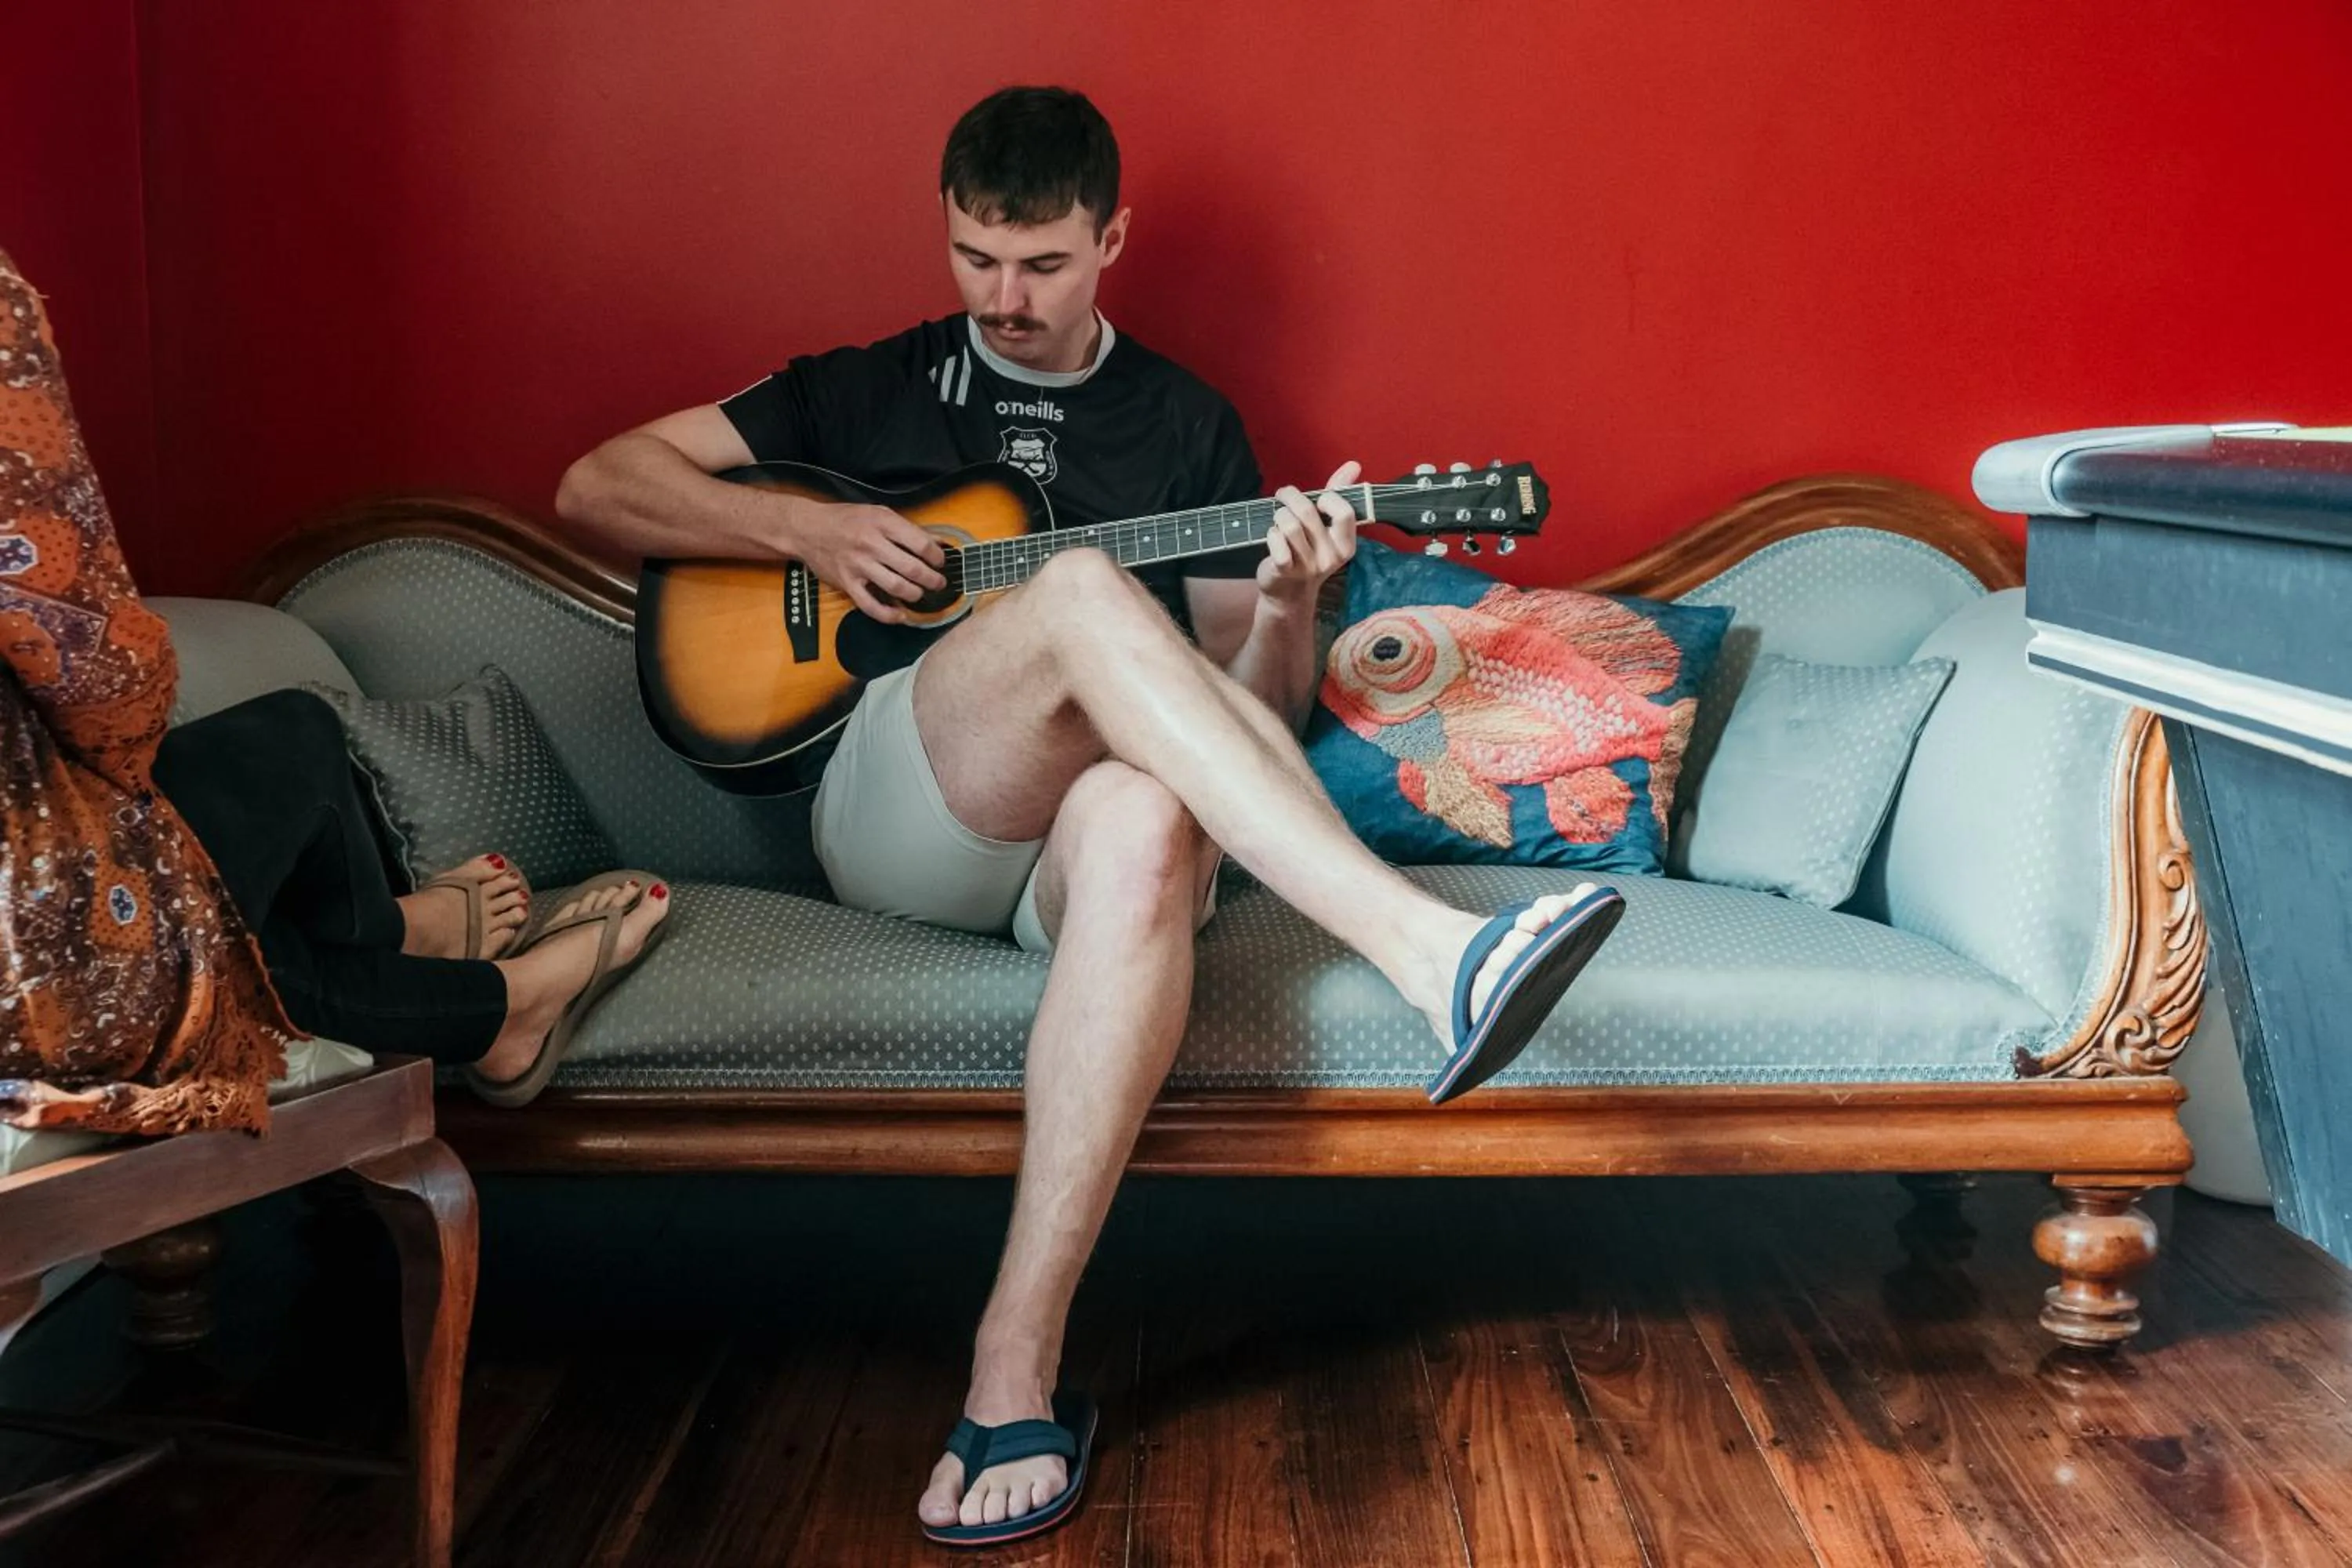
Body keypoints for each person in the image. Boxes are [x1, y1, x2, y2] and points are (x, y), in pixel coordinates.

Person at [556, 86, 1621, 1546]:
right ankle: (1423, 952)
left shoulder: (1187, 425)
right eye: (975, 258)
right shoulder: (870, 387)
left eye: (1043, 263)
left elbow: (1251, 701)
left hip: (1078, 861)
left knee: (1135, 809)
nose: (1004, 297)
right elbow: (594, 483)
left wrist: (1297, 595)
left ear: (1109, 239)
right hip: (905, 810)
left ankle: (1013, 1376)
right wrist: (808, 528)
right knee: (1068, 585)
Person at [0, 246, 666, 1138]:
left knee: (291, 733)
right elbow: (97, 670)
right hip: (40, 938)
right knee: (223, 921)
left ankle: (386, 935)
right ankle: (494, 1002)